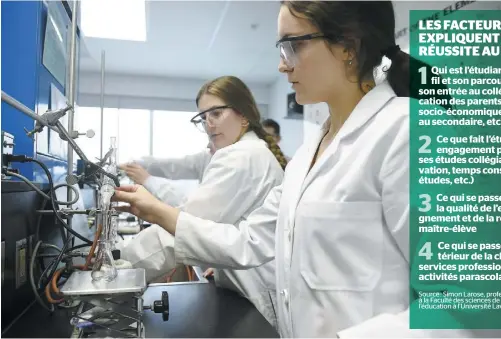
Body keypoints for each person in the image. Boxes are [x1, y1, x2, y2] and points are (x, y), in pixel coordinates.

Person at [112, 2, 466, 337]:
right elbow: (248, 242)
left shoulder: (409, 132)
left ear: (348, 46)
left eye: (292, 46)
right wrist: (159, 213)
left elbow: (472, 305)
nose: (283, 65)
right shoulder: (310, 151)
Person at [120, 75, 287, 330]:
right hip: (251, 282)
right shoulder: (248, 152)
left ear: (243, 115)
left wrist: (121, 267)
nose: (209, 124)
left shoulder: (241, 157)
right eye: (203, 118)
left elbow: (182, 228)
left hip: (257, 291)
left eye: (216, 114)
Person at [120, 141, 215, 206]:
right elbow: (174, 165)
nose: (208, 145)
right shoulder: (208, 157)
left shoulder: (224, 170)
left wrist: (148, 180)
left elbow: (188, 206)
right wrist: (138, 163)